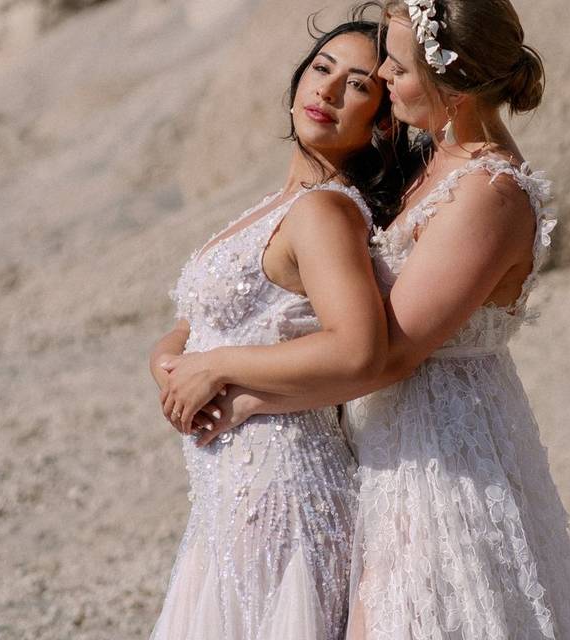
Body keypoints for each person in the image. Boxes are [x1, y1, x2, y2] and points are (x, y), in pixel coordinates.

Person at [165, 1, 570, 638]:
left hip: (439, 448)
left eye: (396, 67)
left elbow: (392, 353)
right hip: (383, 440)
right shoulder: (437, 162)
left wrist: (247, 394)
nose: (387, 79)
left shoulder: (490, 195)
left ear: (448, 82)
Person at [148, 6, 408, 639]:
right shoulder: (280, 203)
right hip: (230, 487)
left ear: (379, 123)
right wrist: (168, 357)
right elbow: (204, 319)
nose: (326, 90)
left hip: (285, 489)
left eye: (357, 85)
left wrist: (214, 367)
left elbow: (357, 351)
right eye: (321, 69)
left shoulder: (323, 211)